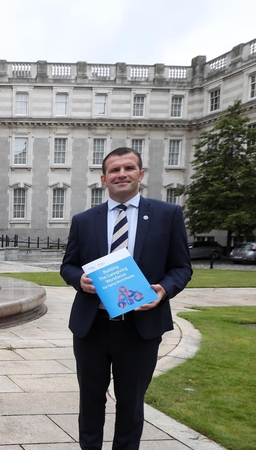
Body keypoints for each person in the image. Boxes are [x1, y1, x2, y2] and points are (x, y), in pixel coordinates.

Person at [60, 147, 192, 450]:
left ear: (141, 175)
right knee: (90, 399)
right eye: (115, 170)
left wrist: (164, 289)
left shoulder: (167, 215)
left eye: (129, 168)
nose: (122, 174)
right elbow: (68, 265)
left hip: (140, 327)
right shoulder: (84, 220)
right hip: (92, 326)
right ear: (103, 179)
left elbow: (181, 267)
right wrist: (78, 279)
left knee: (131, 402)